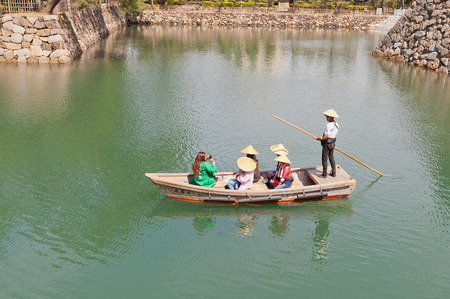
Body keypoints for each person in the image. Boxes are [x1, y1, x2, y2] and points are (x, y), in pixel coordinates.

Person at [315, 109, 339, 177]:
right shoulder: (336, 124)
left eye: (327, 116)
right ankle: (334, 173)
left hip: (327, 144)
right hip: (333, 143)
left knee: (324, 158)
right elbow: (334, 134)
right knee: (331, 157)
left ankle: (324, 174)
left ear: (331, 117)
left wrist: (321, 138)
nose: (326, 118)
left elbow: (328, 135)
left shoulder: (329, 125)